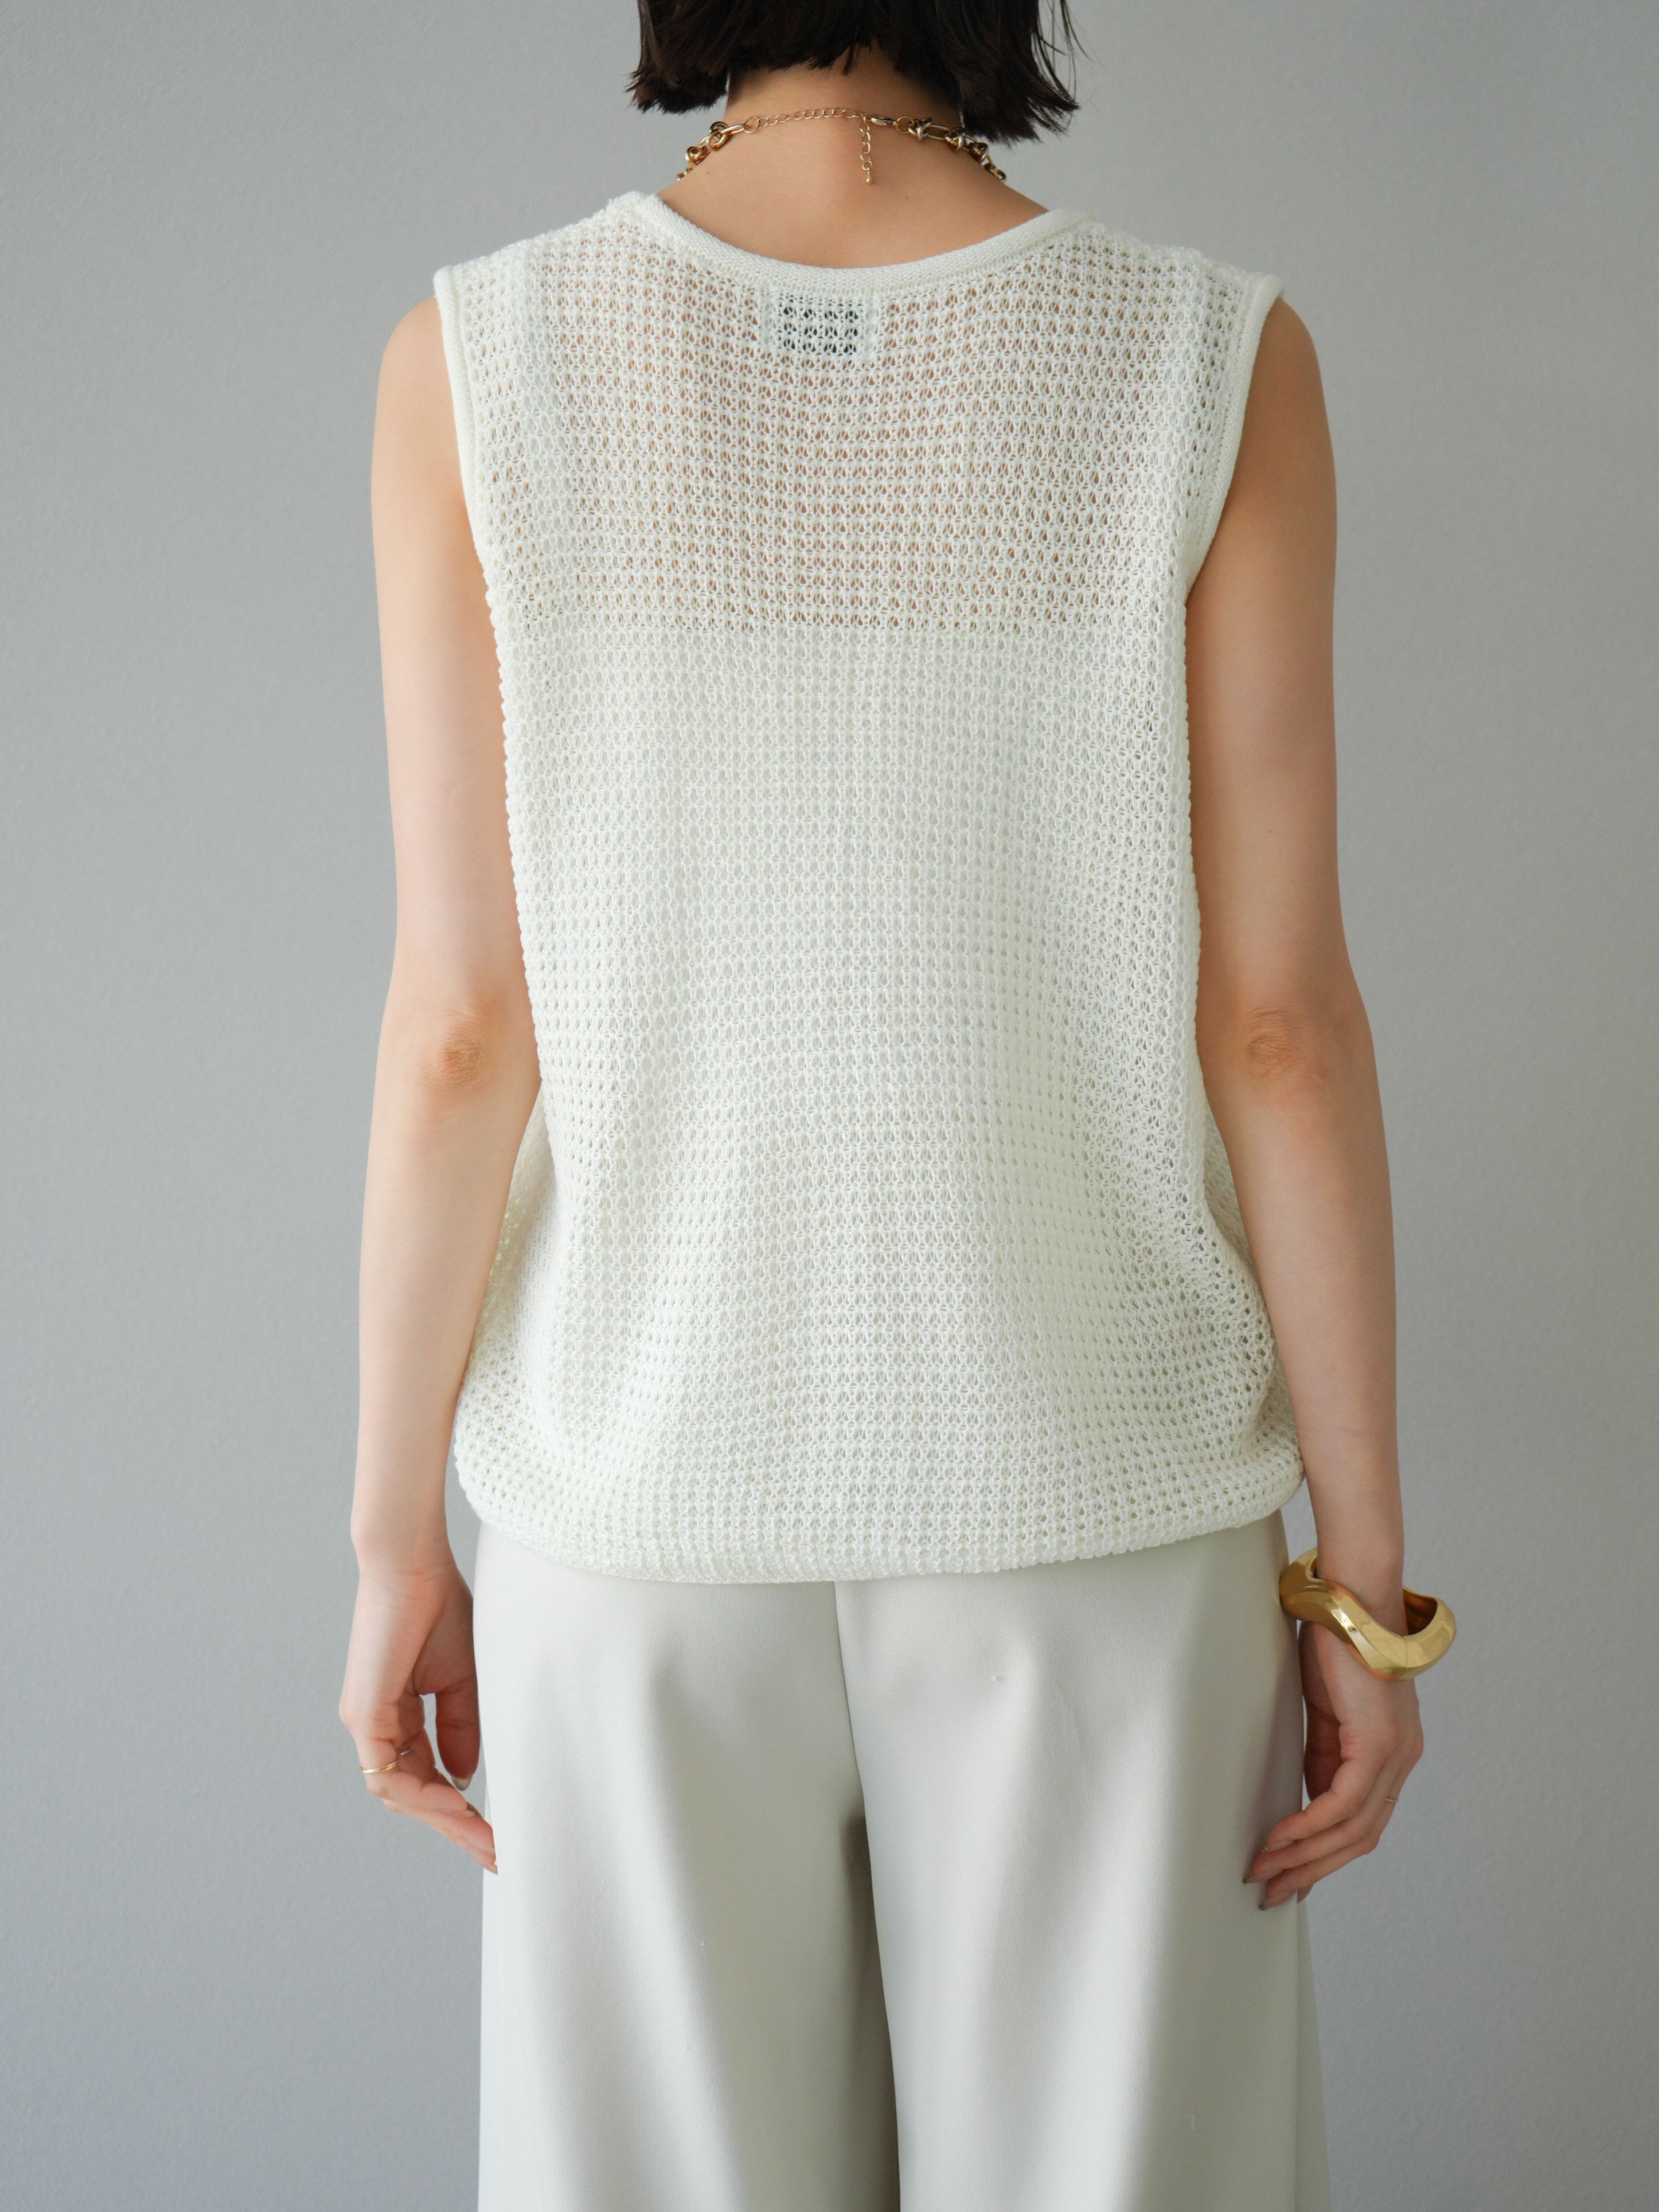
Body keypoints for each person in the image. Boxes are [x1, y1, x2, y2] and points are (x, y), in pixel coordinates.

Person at [340, 6, 1451, 2205]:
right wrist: (1367, 1588)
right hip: (1096, 1508)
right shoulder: (1205, 356)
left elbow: (462, 1024)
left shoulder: (478, 359)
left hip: (638, 1512)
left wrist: (394, 1544)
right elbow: (1279, 1026)